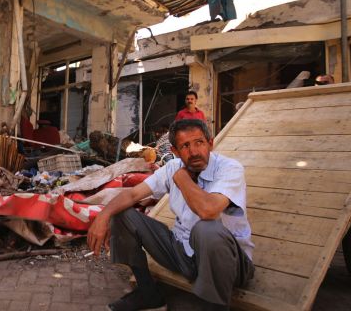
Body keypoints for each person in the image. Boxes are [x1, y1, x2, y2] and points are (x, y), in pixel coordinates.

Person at [87, 119, 254, 311]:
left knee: (207, 229)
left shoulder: (229, 168)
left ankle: (215, 306)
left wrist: (182, 178)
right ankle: (148, 294)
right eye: (185, 146)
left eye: (199, 142)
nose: (194, 152)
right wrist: (103, 216)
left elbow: (208, 210)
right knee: (122, 214)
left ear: (210, 143)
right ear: (175, 151)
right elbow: (133, 194)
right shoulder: (172, 167)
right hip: (182, 252)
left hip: (230, 264)